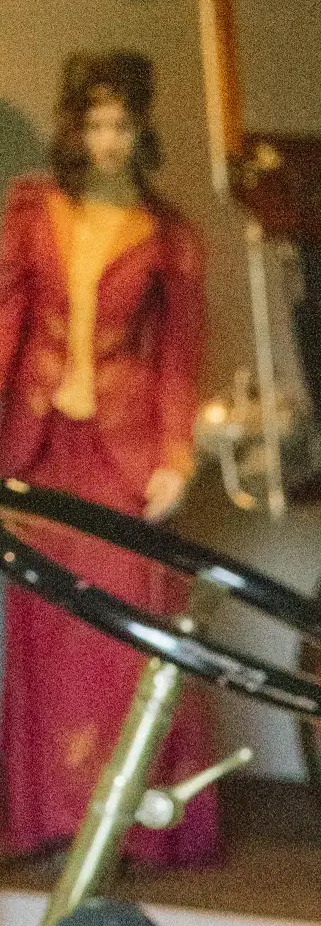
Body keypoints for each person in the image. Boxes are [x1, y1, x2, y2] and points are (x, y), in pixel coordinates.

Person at [0, 49, 218, 862]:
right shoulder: (32, 211)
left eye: (122, 124)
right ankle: (54, 824)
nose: (108, 140)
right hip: (41, 441)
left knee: (123, 636)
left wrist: (176, 454)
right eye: (93, 123)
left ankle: (127, 828)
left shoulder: (169, 235)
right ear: (72, 126)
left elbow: (179, 357)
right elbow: (7, 322)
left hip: (122, 454)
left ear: (142, 127)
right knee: (48, 635)